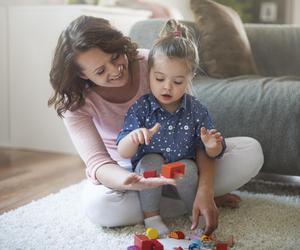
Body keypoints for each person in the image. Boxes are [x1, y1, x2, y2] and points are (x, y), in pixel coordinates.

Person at [48, 15, 264, 236]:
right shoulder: (74, 102)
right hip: (128, 169)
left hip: (182, 161)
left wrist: (205, 189)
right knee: (100, 207)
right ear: (81, 75)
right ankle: (177, 203)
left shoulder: (155, 65)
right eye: (100, 71)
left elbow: (195, 135)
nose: (114, 71)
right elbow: (98, 163)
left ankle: (190, 198)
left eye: (115, 57)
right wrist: (129, 181)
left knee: (251, 151)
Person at [116, 19, 228, 236]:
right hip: (149, 177)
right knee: (150, 161)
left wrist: (212, 146)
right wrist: (134, 137)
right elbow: (122, 150)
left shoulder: (196, 110)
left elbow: (214, 152)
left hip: (183, 179)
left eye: (177, 82)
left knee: (188, 166)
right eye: (159, 79)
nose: (167, 87)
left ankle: (191, 209)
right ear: (149, 74)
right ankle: (152, 216)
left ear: (190, 78)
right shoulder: (141, 108)